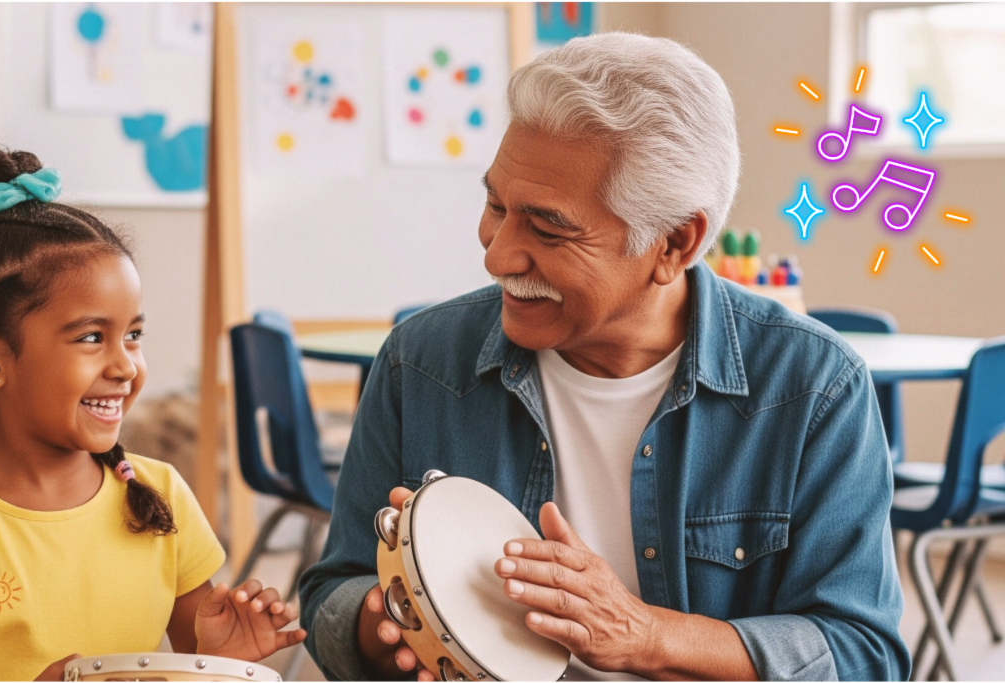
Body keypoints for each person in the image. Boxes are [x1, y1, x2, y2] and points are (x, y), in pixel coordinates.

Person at [299, 33, 909, 681]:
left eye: (547, 227)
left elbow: (862, 654)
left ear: (675, 243)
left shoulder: (814, 386)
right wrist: (392, 618)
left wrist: (645, 635)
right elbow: (334, 593)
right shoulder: (420, 361)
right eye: (496, 206)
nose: (497, 254)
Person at [0, 149, 305, 681]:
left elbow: (189, 666)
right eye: (92, 337)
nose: (125, 365)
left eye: (133, 335)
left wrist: (216, 659)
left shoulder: (160, 493)